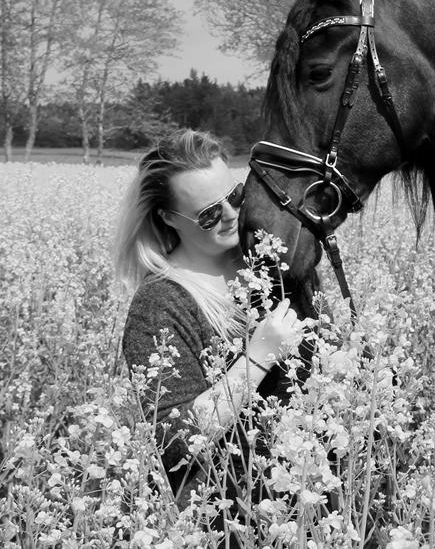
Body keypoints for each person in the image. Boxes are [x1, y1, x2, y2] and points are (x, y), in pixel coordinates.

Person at [115, 129, 305, 536]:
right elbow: (173, 436)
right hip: (224, 516)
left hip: (304, 500)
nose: (231, 215)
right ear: (167, 217)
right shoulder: (161, 303)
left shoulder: (267, 264)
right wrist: (258, 357)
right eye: (207, 213)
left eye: (235, 196)